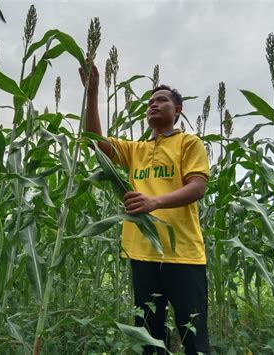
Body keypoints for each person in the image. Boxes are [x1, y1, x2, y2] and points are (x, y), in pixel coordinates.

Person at [80, 65, 210, 355]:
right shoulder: (136, 150)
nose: (153, 105)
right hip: (142, 255)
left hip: (184, 255)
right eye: (150, 102)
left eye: (161, 100)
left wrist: (154, 202)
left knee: (194, 339)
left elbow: (197, 187)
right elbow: (95, 142)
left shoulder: (189, 143)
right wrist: (92, 94)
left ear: (177, 109)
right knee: (150, 340)